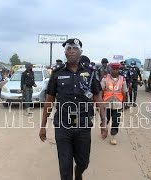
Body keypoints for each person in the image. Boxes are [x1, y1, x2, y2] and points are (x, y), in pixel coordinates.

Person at [39, 38, 108, 180]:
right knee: (65, 167)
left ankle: (79, 174)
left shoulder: (90, 73)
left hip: (83, 124)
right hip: (63, 125)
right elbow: (49, 100)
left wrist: (103, 121)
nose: (71, 51)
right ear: (65, 52)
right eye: (68, 48)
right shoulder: (57, 73)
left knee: (83, 162)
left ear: (80, 52)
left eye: (74, 48)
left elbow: (97, 98)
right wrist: (43, 125)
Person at [102, 63, 128, 145]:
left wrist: (124, 103)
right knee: (106, 119)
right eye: (114, 69)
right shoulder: (105, 78)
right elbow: (101, 90)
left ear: (118, 70)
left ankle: (113, 136)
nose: (115, 71)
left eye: (117, 69)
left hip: (118, 104)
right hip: (106, 103)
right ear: (111, 69)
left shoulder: (122, 79)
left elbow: (124, 92)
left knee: (116, 121)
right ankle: (103, 129)